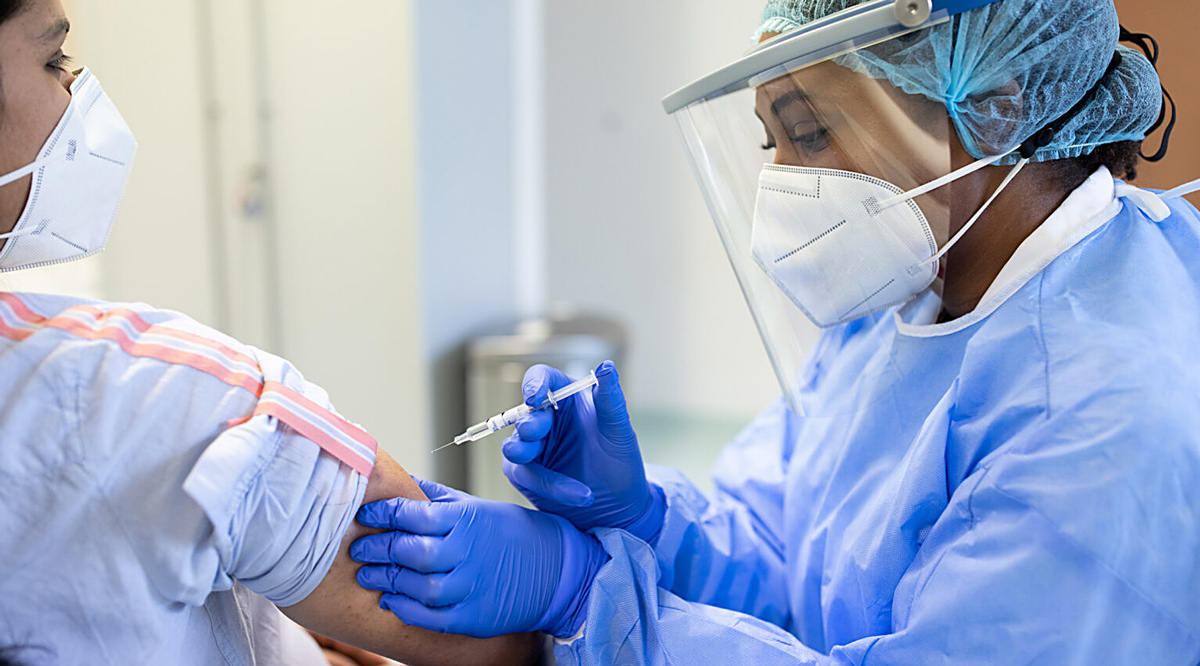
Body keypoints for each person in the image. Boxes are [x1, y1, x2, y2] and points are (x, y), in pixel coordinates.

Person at [350, 0, 1200, 664]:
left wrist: (586, 599)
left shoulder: (1101, 415)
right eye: (771, 142)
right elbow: (791, 561)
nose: (781, 187)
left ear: (993, 109)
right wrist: (649, 520)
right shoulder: (911, 298)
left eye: (807, 132)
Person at [0, 1, 543, 664]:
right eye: (53, 59)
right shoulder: (162, 400)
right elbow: (511, 645)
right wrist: (581, 567)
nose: (73, 92)